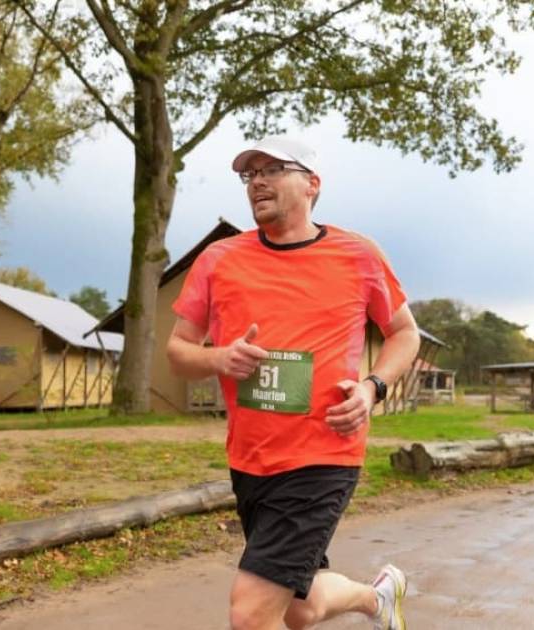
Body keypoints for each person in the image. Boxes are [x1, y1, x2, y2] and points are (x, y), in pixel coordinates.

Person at [165, 136, 421, 630]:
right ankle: (377, 600)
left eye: (272, 169)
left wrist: (373, 388)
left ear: (312, 184)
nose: (257, 180)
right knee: (300, 609)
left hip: (324, 452)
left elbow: (403, 333)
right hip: (251, 459)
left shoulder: (358, 254)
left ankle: (374, 600)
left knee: (251, 612)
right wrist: (220, 358)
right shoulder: (219, 260)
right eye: (249, 173)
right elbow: (178, 353)